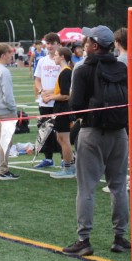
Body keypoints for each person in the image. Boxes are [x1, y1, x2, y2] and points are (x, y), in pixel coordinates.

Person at [62, 25, 131, 257]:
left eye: (87, 40)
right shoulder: (122, 67)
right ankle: (120, 237)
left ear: (94, 45)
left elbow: (75, 106)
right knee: (118, 187)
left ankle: (84, 240)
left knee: (86, 188)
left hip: (92, 132)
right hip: (120, 133)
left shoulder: (82, 69)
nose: (84, 43)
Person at [0, 43, 20, 181]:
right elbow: (7, 95)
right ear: (3, 55)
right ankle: (3, 170)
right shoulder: (4, 71)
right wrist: (13, 108)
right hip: (5, 110)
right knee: (5, 141)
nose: (11, 56)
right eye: (9, 53)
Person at [33, 32, 62, 169]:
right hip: (44, 101)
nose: (50, 46)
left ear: (58, 44)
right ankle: (48, 158)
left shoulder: (62, 61)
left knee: (61, 132)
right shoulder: (42, 61)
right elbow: (37, 79)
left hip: (59, 100)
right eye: (48, 43)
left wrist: (50, 94)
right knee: (45, 131)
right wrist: (41, 92)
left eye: (53, 43)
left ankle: (65, 158)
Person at [47, 46, 77, 179]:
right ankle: (70, 165)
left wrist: (50, 98)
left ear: (62, 57)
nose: (54, 57)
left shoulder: (66, 72)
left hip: (63, 109)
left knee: (64, 139)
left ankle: (69, 168)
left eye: (56, 55)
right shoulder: (64, 71)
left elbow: (65, 95)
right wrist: (49, 94)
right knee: (60, 138)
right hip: (60, 108)